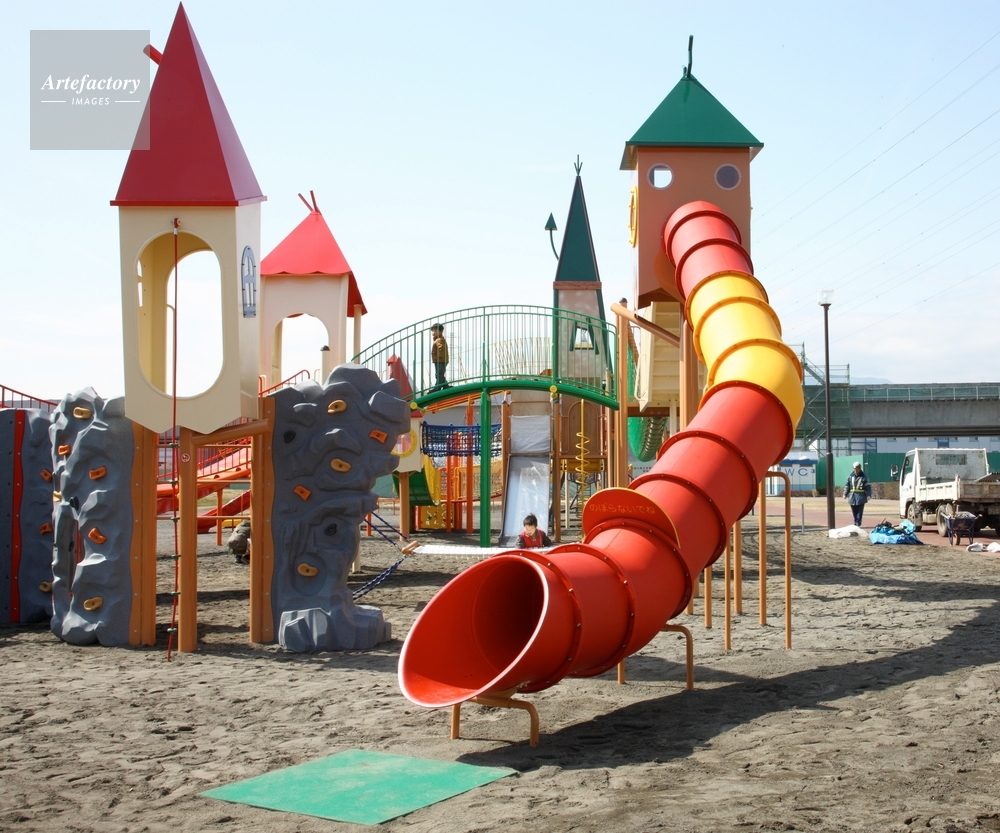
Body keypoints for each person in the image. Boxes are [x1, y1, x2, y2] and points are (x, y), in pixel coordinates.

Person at [844, 461, 871, 527]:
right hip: (852, 497)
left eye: (858, 468)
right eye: (855, 469)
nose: (856, 470)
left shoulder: (864, 477)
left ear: (860, 468)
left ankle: (858, 522)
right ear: (853, 469)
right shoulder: (850, 476)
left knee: (859, 511)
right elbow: (847, 486)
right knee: (854, 511)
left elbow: (867, 487)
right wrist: (845, 494)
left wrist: (868, 495)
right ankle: (855, 521)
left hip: (861, 497)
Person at [430, 323, 449, 389]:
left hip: (440, 360)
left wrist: (439, 357)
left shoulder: (439, 340)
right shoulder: (437, 340)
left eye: (435, 331)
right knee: (440, 374)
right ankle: (445, 386)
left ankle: (437, 388)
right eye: (433, 331)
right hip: (439, 360)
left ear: (441, 331)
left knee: (439, 374)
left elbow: (441, 348)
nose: (433, 333)